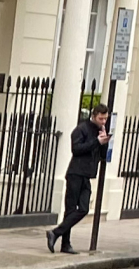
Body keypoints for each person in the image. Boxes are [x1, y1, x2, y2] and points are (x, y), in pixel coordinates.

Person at [47, 103, 112, 252]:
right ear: (94, 115)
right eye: (101, 118)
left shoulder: (100, 131)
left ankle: (55, 233)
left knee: (83, 208)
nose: (103, 122)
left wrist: (104, 142)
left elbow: (102, 156)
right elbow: (76, 149)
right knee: (70, 209)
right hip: (75, 173)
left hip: (87, 175)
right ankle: (65, 244)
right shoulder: (81, 129)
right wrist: (97, 141)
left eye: (105, 119)